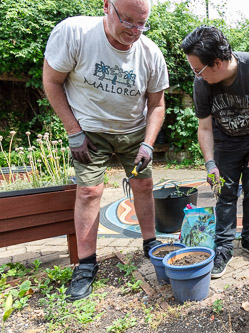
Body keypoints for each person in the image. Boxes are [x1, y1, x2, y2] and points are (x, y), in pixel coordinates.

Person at [43, 0, 169, 301]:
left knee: (144, 183)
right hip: (89, 132)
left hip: (133, 133)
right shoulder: (75, 33)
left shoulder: (151, 53)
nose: (135, 31)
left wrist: (148, 144)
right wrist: (74, 131)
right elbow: (51, 81)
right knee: (89, 192)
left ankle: (150, 243)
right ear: (106, 6)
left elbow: (157, 105)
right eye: (127, 21)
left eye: (142, 24)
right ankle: (86, 265)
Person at [180, 26, 249, 278]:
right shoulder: (202, 83)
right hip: (225, 144)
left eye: (197, 70)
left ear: (216, 63)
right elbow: (204, 127)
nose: (196, 75)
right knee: (224, 194)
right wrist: (209, 164)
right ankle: (224, 246)